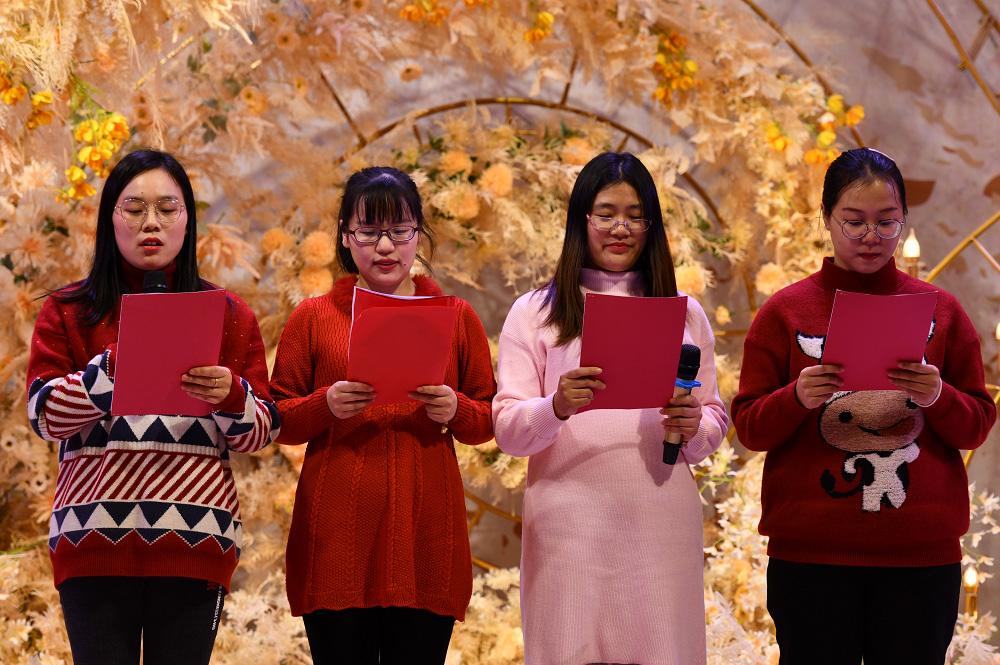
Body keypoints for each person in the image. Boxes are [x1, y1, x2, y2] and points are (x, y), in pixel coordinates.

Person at [731, 147, 997, 665]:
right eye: (853, 222)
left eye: (886, 222)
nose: (871, 236)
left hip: (920, 557)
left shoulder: (942, 312)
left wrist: (937, 395)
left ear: (904, 221)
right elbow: (749, 428)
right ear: (826, 218)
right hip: (810, 556)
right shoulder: (785, 313)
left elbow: (977, 426)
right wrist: (796, 397)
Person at [25, 149, 280, 665]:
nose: (151, 223)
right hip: (93, 540)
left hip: (196, 540)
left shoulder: (229, 314)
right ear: (109, 219)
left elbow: (261, 432)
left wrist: (230, 395)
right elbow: (44, 415)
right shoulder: (69, 310)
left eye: (167, 208)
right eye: (134, 208)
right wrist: (116, 367)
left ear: (188, 220)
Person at [492, 152, 728, 665]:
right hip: (568, 525)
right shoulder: (536, 313)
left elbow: (713, 419)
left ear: (651, 226)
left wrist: (694, 424)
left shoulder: (684, 312)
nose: (621, 228)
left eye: (635, 216)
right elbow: (507, 429)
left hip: (660, 519)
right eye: (606, 214)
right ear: (582, 220)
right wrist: (556, 406)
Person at [269, 166, 496, 665]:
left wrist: (456, 408)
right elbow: (277, 418)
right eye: (369, 231)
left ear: (419, 233)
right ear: (345, 236)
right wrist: (325, 404)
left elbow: (487, 419)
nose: (386, 246)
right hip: (336, 538)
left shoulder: (457, 316)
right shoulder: (313, 317)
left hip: (425, 535)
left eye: (400, 230)